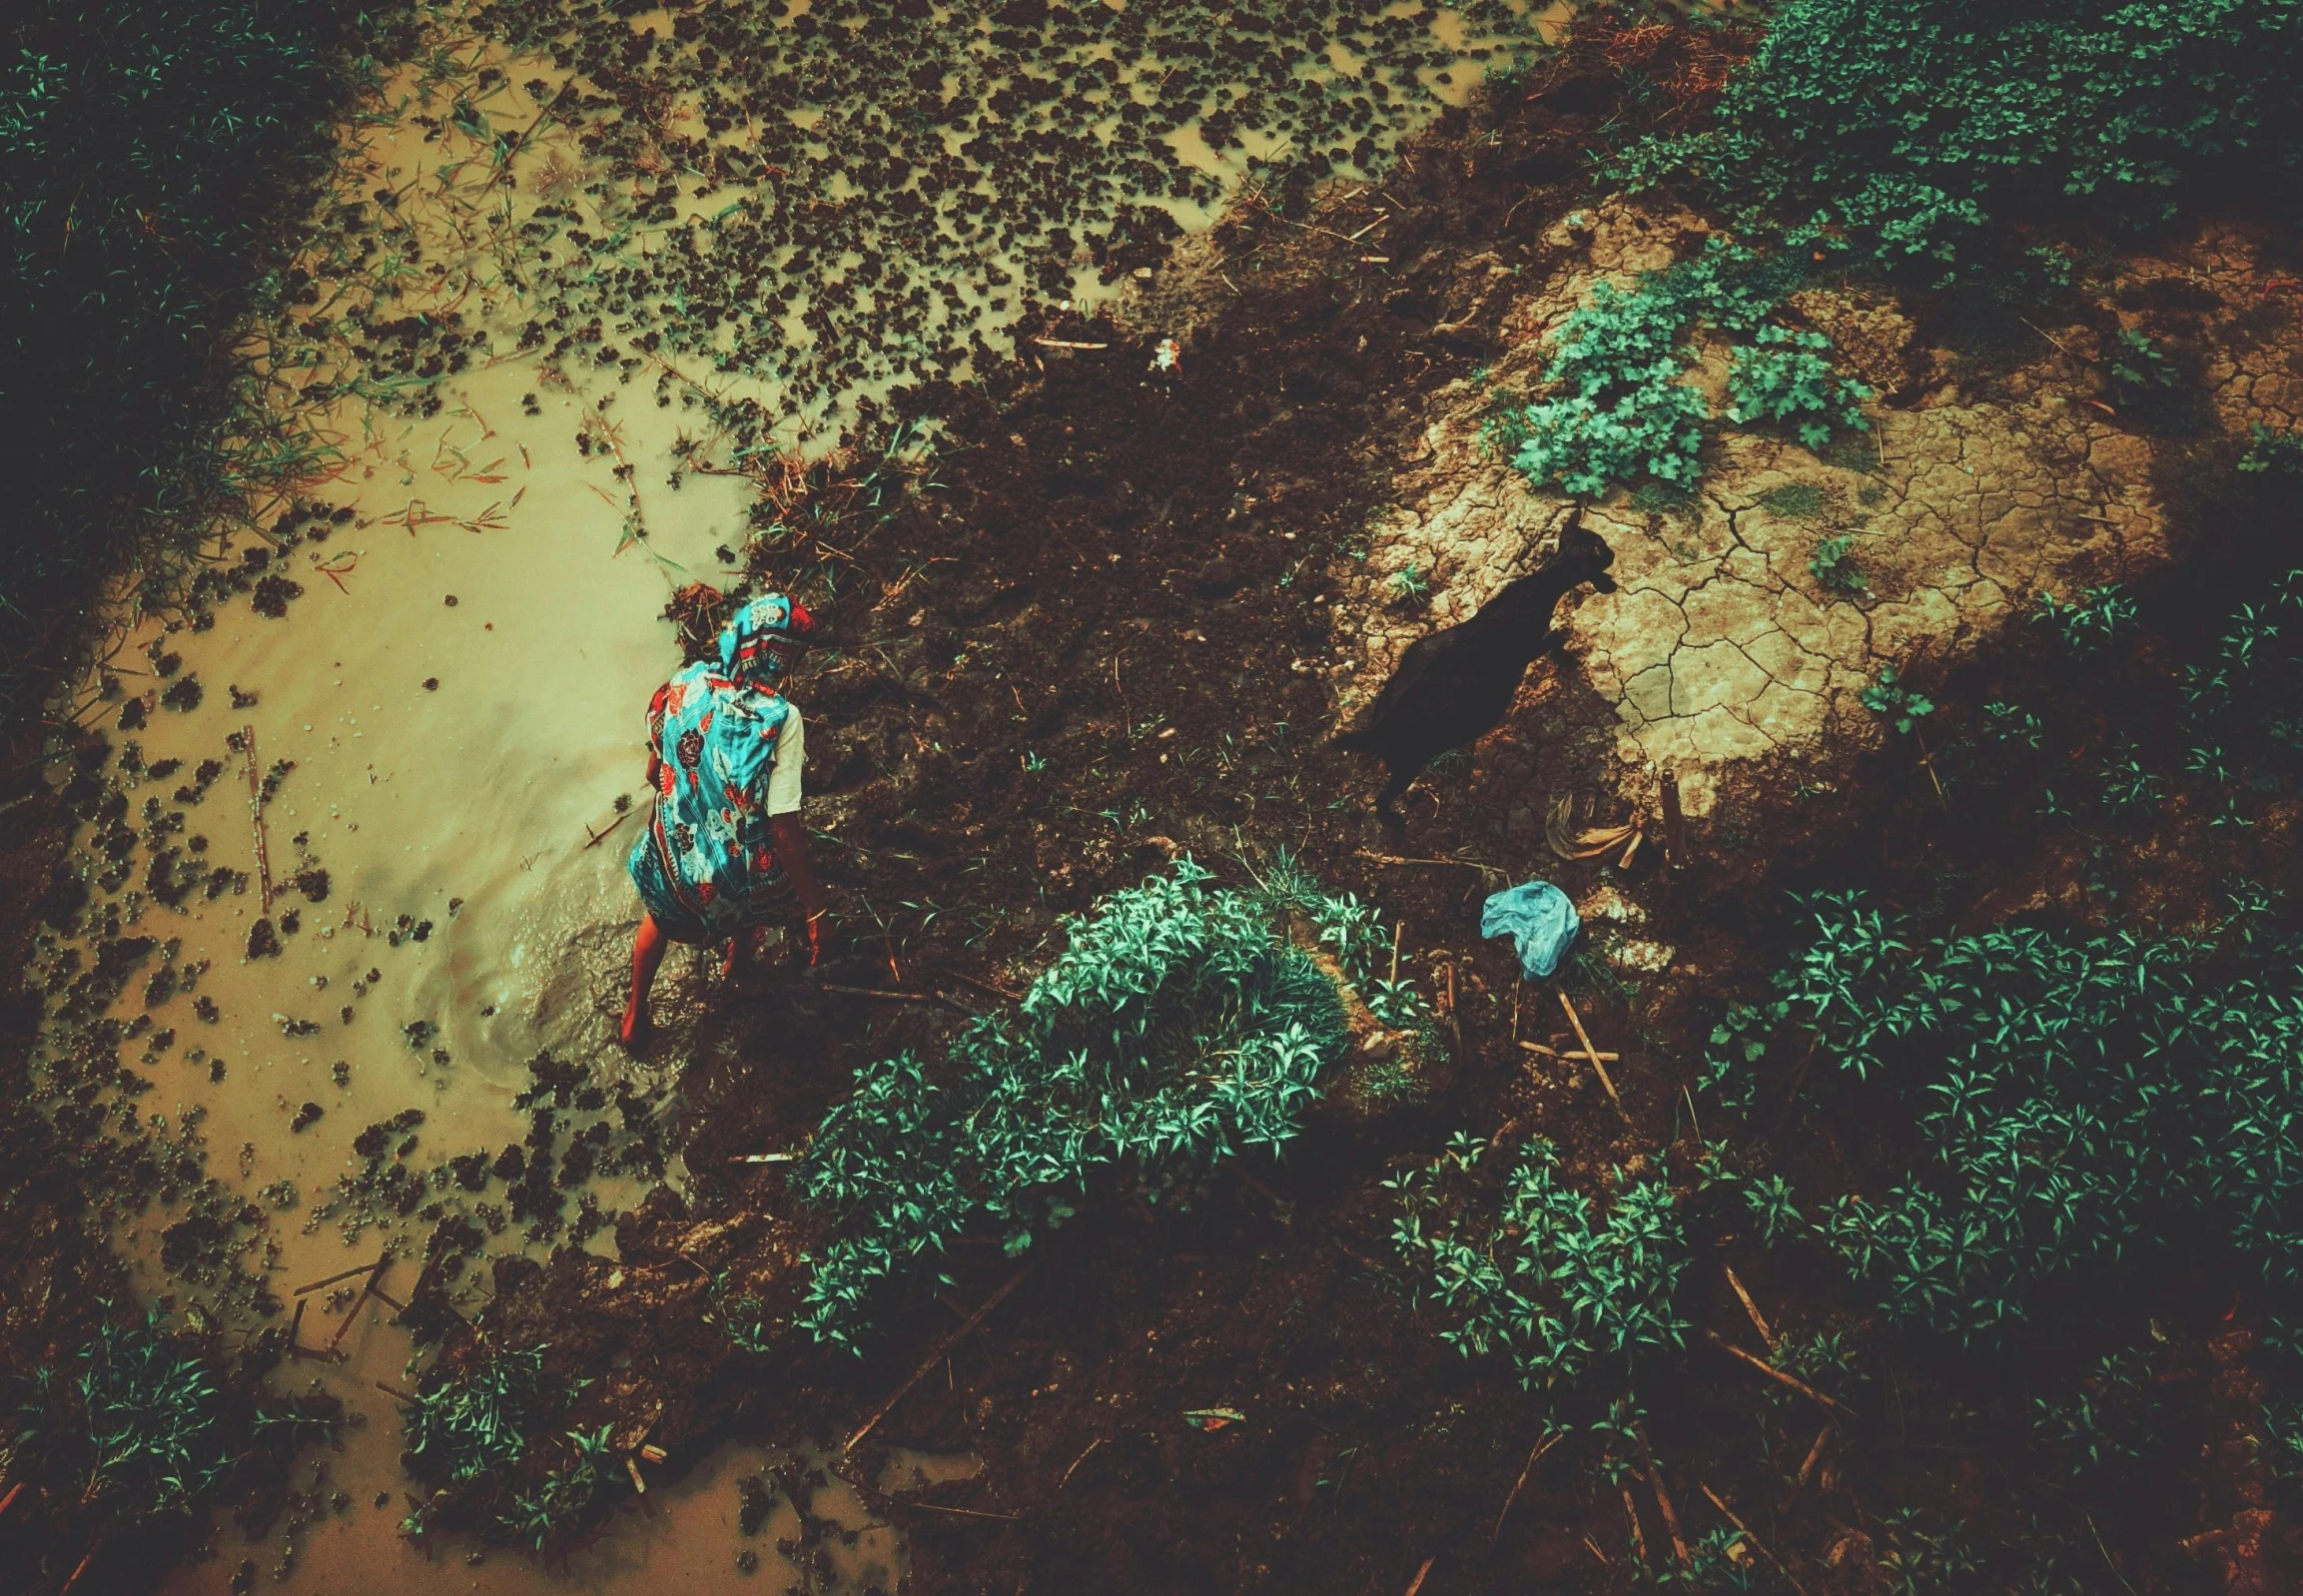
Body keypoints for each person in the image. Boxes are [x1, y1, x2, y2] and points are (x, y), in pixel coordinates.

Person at [620, 592, 830, 1047]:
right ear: (779, 656)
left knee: (656, 917)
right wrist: (815, 906)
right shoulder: (781, 719)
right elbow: (783, 826)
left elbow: (655, 772)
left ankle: (635, 1013)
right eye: (792, 656)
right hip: (735, 877)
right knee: (756, 891)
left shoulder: (687, 682)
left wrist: (691, 818)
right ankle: (736, 965)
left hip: (676, 859)